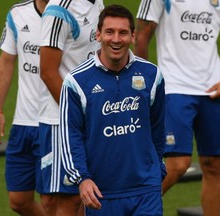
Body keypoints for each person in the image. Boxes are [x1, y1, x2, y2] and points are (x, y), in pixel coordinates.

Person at [135, 0, 220, 215]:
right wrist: (144, 81)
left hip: (213, 91)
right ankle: (135, 209)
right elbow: (141, 35)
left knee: (213, 165)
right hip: (174, 88)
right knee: (178, 164)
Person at [59, 4, 166, 216]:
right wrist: (82, 178)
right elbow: (70, 136)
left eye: (123, 32)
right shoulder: (76, 82)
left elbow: (157, 128)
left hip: (146, 189)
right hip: (101, 192)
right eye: (109, 32)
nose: (116, 39)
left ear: (133, 36)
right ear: (98, 35)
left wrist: (157, 169)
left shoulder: (152, 75)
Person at [38, 0, 104, 215]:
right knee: (69, 199)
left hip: (91, 118)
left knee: (86, 197)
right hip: (63, 123)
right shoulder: (60, 9)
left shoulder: (96, 3)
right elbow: (47, 71)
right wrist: (77, 115)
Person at [0, 0, 49, 215]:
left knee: (53, 200)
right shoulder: (17, 13)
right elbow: (6, 60)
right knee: (18, 200)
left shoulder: (73, 12)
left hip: (53, 124)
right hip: (23, 123)